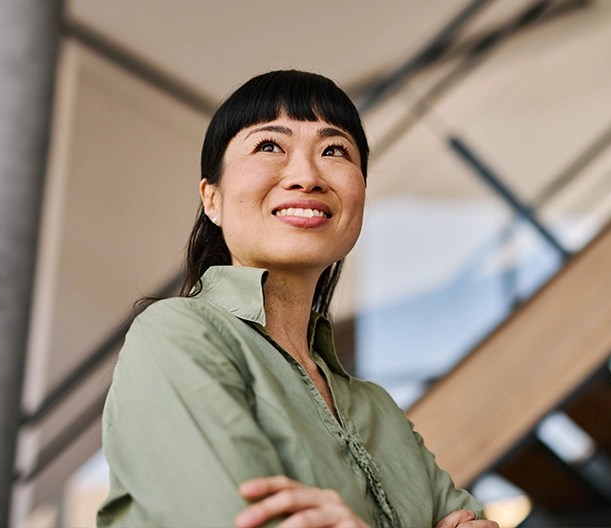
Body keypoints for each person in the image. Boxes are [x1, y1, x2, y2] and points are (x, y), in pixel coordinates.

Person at [97, 70, 497, 528]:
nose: (307, 176)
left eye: (334, 151)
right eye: (269, 146)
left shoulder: (378, 409)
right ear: (213, 199)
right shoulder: (176, 334)